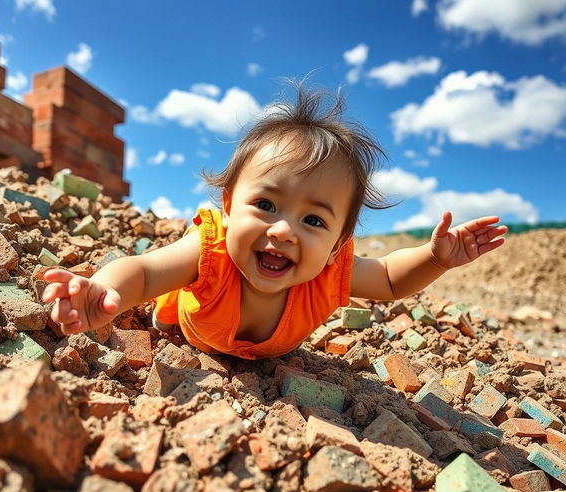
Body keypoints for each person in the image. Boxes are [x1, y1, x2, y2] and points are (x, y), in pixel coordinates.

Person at [42, 82, 507, 360]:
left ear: (339, 242)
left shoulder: (329, 272)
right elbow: (141, 270)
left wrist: (435, 257)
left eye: (313, 220)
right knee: (164, 293)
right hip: (190, 324)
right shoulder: (213, 251)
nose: (283, 230)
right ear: (229, 205)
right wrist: (105, 291)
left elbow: (386, 278)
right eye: (265, 205)